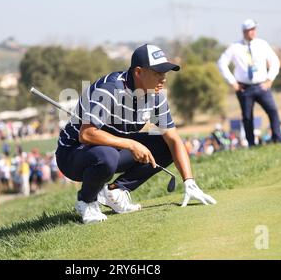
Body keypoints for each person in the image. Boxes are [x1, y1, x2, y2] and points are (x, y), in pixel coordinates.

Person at [56, 44, 216, 224]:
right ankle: (86, 201)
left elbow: (173, 140)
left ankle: (115, 191)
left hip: (109, 149)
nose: (163, 79)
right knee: (107, 155)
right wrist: (132, 144)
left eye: (164, 73)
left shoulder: (156, 97)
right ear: (138, 72)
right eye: (157, 73)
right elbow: (87, 135)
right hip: (74, 153)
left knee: (163, 145)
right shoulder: (110, 89)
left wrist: (189, 182)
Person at [217, 19, 281, 147]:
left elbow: (275, 61)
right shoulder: (235, 47)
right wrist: (232, 82)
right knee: (247, 117)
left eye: (254, 29)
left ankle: (278, 140)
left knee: (273, 111)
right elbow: (221, 62)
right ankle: (252, 144)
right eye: (249, 30)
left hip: (262, 85)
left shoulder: (262, 44)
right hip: (244, 88)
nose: (252, 32)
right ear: (244, 32)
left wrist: (270, 79)